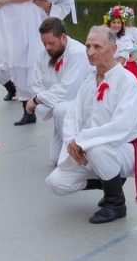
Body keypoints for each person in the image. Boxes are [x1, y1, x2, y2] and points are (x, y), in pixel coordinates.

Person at [45, 25, 137, 224]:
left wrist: (83, 141)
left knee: (98, 148)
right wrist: (72, 143)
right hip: (91, 149)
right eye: (88, 46)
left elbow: (122, 126)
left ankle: (116, 203)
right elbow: (71, 118)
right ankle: (110, 182)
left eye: (97, 47)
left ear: (113, 49)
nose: (90, 52)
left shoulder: (127, 81)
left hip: (126, 150)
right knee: (56, 183)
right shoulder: (89, 82)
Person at [26, 17, 91, 165]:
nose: (47, 47)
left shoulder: (77, 53)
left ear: (63, 37)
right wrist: (46, 99)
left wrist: (37, 100)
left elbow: (68, 89)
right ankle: (72, 149)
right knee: (55, 159)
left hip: (80, 105)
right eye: (44, 43)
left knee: (61, 108)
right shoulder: (43, 54)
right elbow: (36, 84)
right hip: (57, 108)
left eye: (51, 43)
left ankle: (78, 149)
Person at [105, 5, 137, 92]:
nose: (116, 25)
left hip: (124, 61)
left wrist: (136, 57)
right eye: (114, 22)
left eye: (119, 22)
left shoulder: (130, 31)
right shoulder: (107, 31)